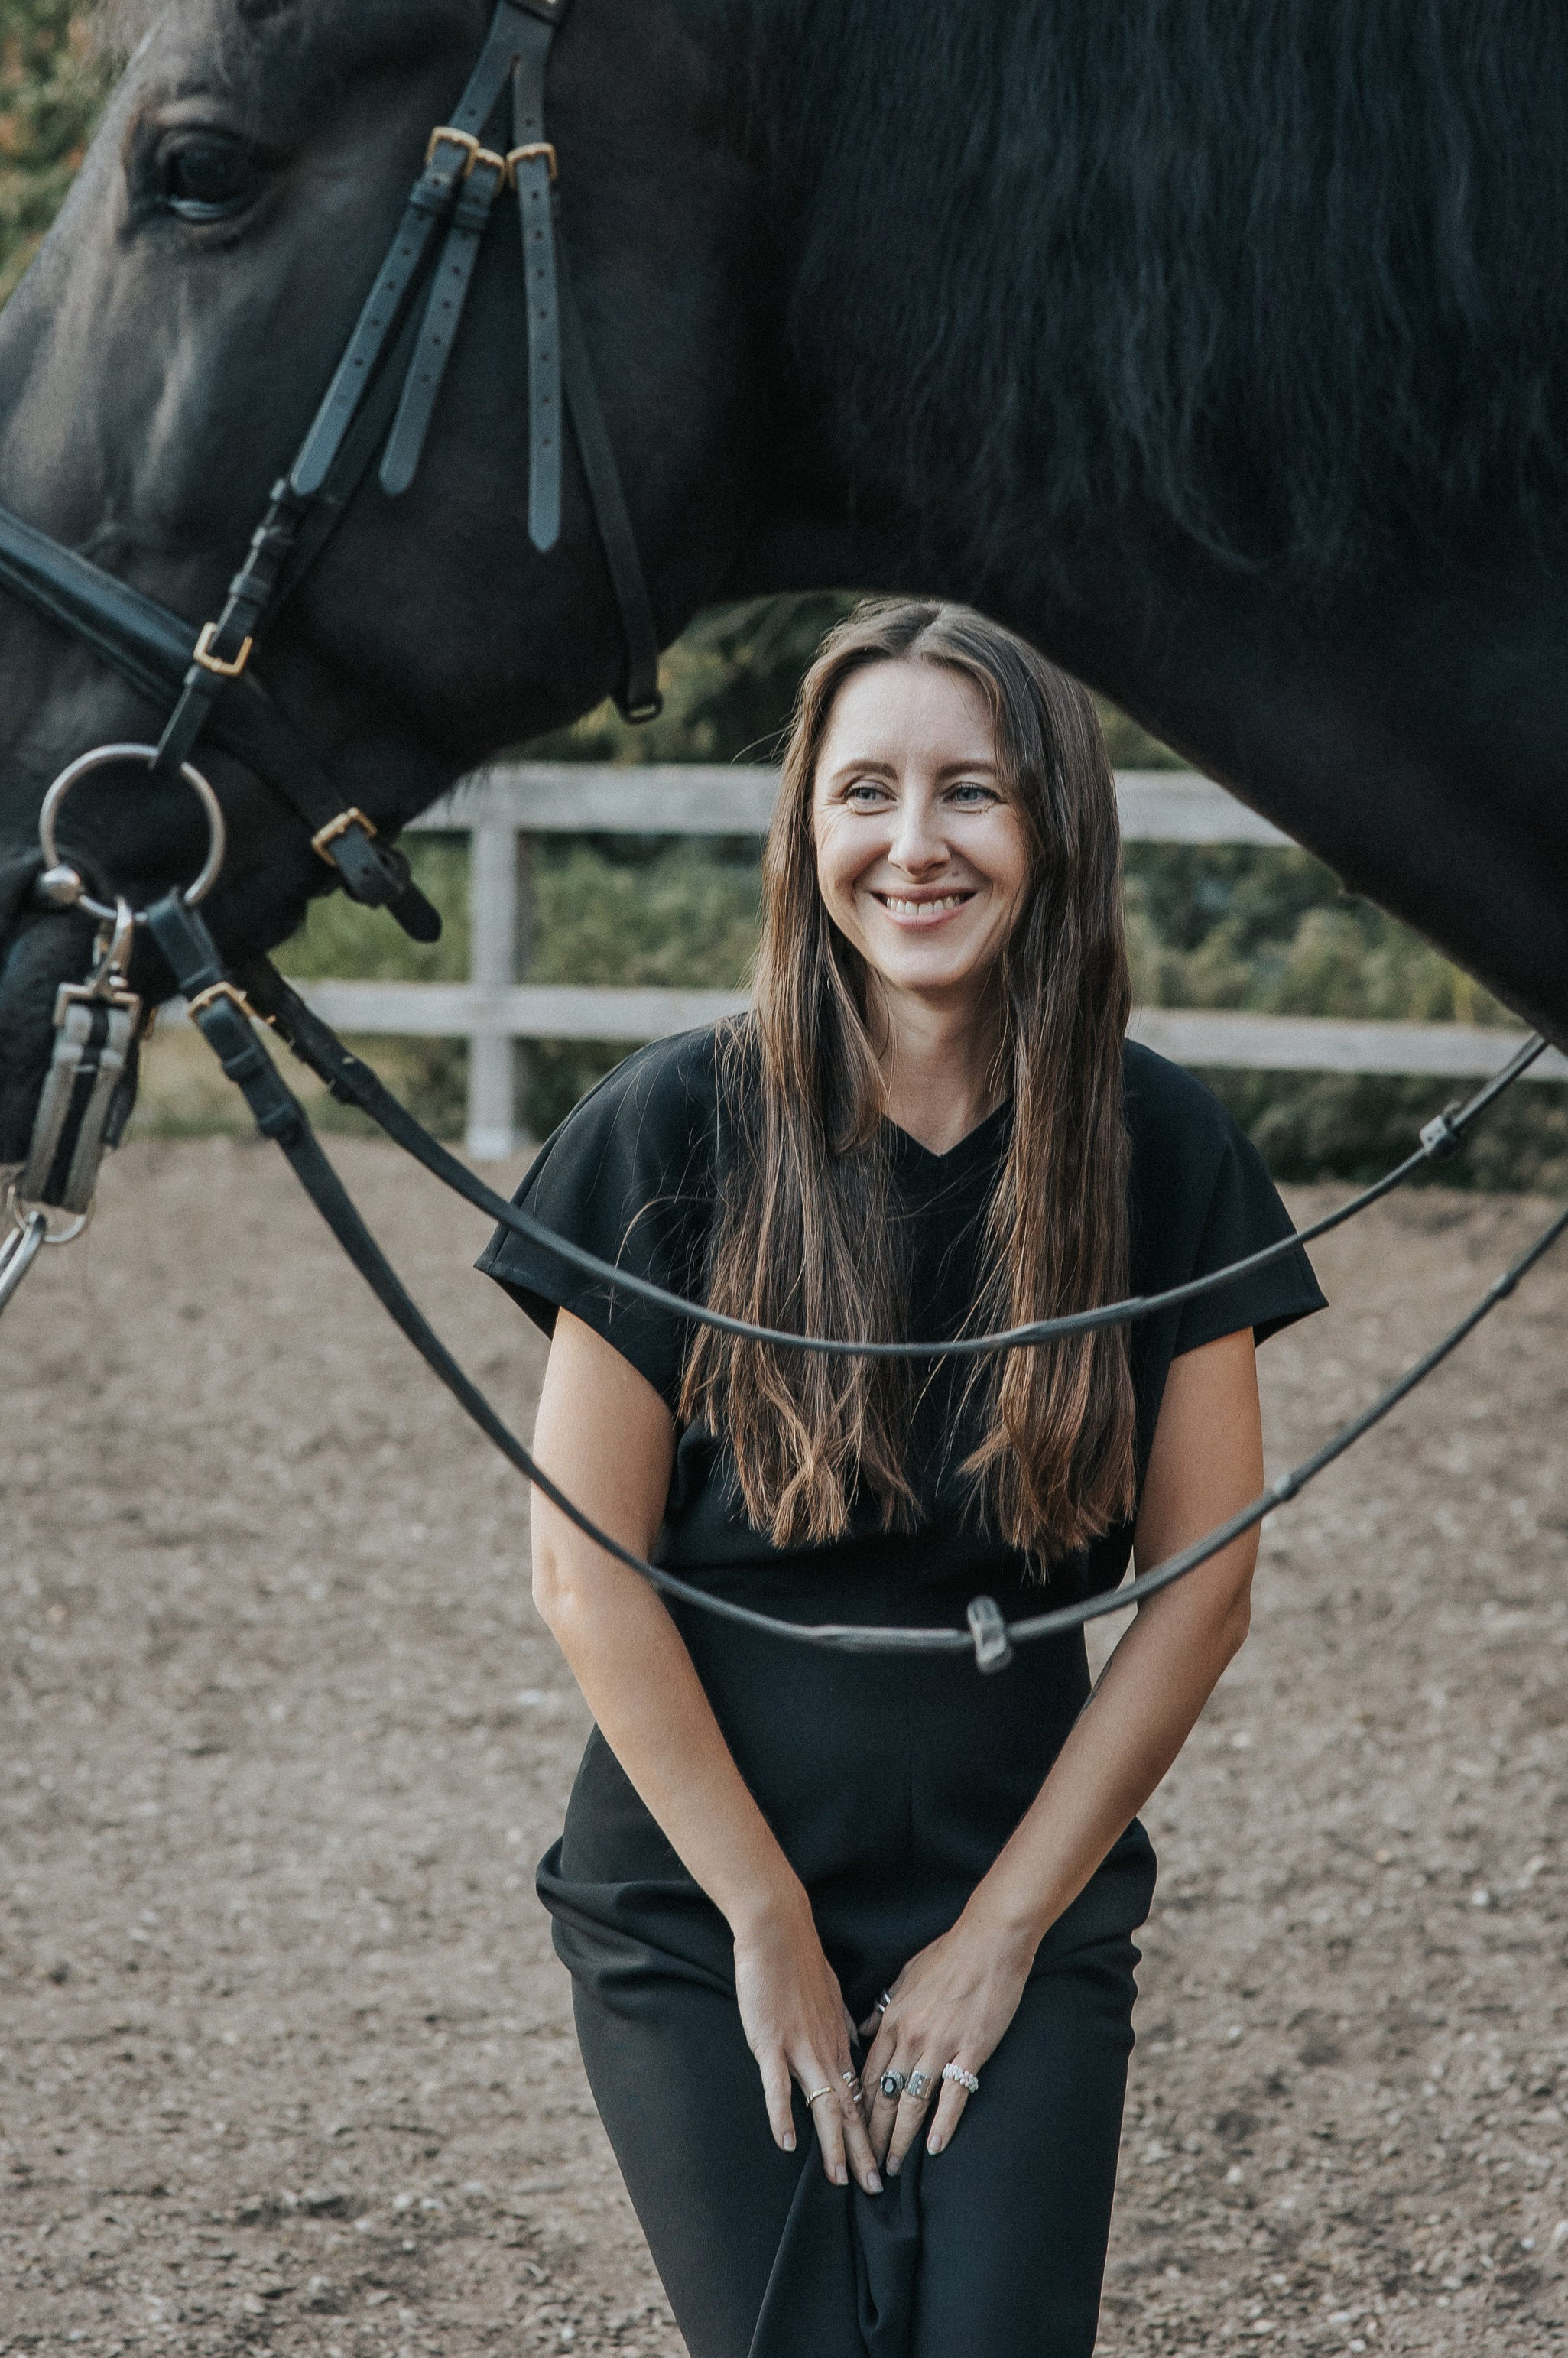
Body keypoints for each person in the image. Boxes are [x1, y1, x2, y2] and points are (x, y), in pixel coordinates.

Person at [476, 599, 1324, 2358]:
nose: (913, 844)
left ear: (1055, 832)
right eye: (865, 790)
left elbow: (1204, 1589)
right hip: (696, 1887)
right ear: (806, 831)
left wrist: (1002, 1931)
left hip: (1013, 1868)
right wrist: (764, 1920)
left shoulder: (1160, 1147)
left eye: (972, 793)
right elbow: (582, 1572)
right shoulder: (665, 1129)